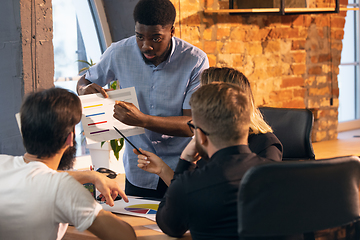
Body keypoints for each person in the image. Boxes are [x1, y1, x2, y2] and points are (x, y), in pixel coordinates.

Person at [76, 0, 209, 198]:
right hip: (138, 171)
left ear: (172, 31)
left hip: (180, 170)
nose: (146, 46)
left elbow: (192, 124)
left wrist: (143, 120)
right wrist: (85, 89)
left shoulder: (195, 61)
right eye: (140, 37)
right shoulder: (118, 52)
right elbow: (83, 81)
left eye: (156, 39)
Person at [0, 88, 136, 240]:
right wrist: (100, 213)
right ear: (69, 138)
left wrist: (91, 175)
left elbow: (35, 175)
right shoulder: (61, 188)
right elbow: (126, 236)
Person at [155, 83, 277, 239]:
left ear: (201, 135)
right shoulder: (281, 177)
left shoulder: (190, 186)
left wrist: (184, 163)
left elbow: (168, 226)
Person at [137, 67, 282, 186]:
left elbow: (266, 197)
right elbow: (192, 193)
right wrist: (162, 169)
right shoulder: (211, 139)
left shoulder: (265, 143)